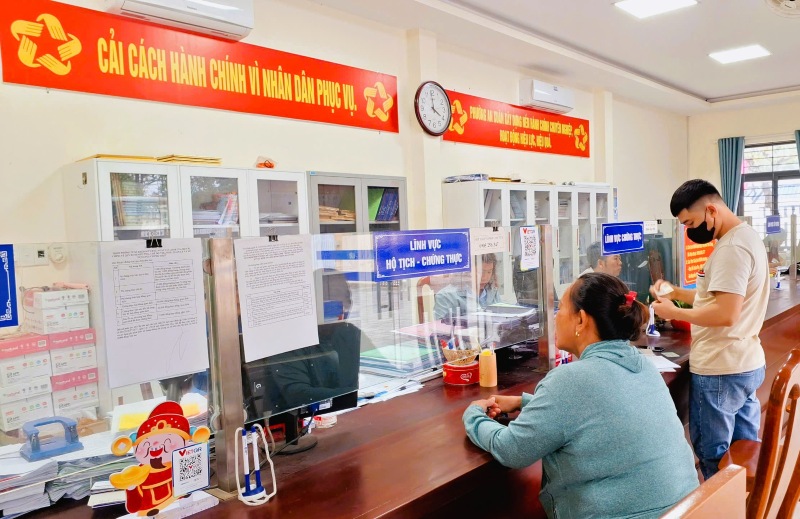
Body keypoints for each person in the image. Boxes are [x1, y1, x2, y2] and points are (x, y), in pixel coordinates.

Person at [463, 273, 699, 519]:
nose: (555, 316)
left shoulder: (569, 380)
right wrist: (527, 403)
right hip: (686, 511)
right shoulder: (642, 365)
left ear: (581, 320)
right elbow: (596, 416)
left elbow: (512, 450)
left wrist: (474, 415)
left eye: (562, 308)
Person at [651, 179, 769, 480]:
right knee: (743, 451)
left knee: (713, 458)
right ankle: (744, 509)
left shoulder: (732, 248)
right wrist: (677, 291)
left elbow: (727, 313)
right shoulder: (744, 237)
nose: (690, 231)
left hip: (720, 369)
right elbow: (717, 297)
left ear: (711, 210)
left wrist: (674, 312)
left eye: (690, 221)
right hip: (743, 361)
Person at [433, 253, 501, 320]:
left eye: (489, 272)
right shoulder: (446, 296)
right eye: (481, 272)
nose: (485, 277)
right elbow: (441, 327)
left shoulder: (492, 291)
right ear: (466, 272)